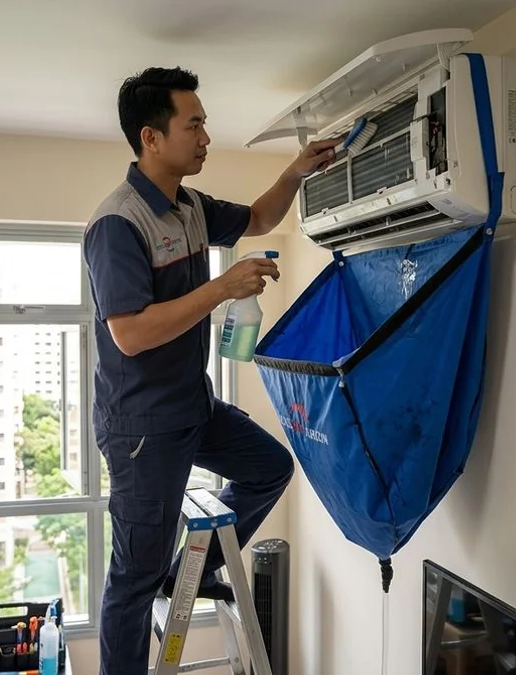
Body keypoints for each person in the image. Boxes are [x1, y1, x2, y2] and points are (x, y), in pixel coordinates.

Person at [83, 66, 340, 674]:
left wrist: (295, 171)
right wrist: (223, 287)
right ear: (151, 137)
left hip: (191, 406)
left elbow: (258, 219)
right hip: (143, 428)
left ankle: (189, 576)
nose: (205, 137)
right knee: (133, 579)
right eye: (193, 125)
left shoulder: (190, 206)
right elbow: (131, 333)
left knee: (270, 467)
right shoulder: (118, 224)